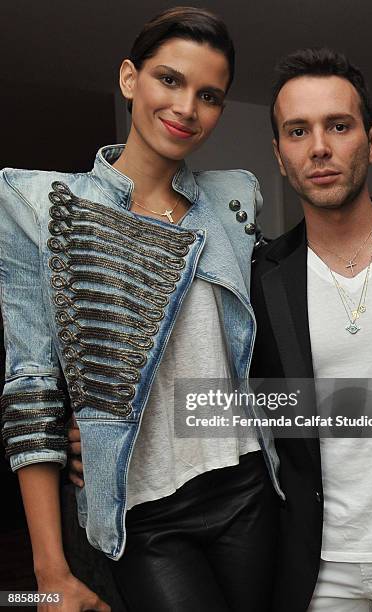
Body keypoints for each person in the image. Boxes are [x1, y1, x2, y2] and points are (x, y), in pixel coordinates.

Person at [0, 7, 283, 612]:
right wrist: (47, 571)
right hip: (143, 510)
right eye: (170, 80)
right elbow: (31, 383)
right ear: (130, 79)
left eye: (208, 95)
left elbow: (280, 306)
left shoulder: (233, 201)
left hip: (248, 485)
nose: (186, 108)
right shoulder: (43, 205)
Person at [250, 47, 372, 611]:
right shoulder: (260, 278)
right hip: (316, 569)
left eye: (338, 126)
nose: (319, 147)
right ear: (279, 155)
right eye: (297, 131)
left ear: (371, 141)